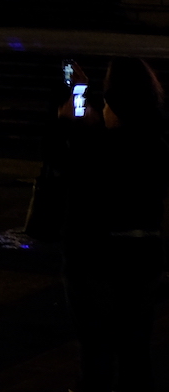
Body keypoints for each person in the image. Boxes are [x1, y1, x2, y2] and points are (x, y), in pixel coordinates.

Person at [45, 58, 168, 392]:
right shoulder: (155, 143)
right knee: (136, 350)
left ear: (113, 102)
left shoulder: (94, 144)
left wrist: (75, 98)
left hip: (94, 259)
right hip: (144, 258)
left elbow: (61, 154)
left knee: (96, 350)